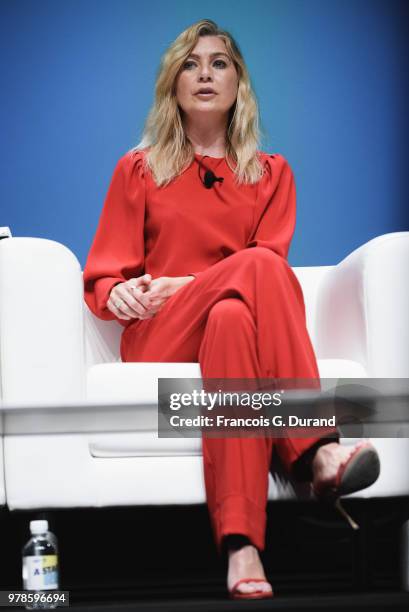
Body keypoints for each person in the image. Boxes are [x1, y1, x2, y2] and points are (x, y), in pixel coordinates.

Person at [83, 19, 380, 600]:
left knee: (232, 318)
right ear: (173, 83)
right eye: (191, 64)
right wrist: (118, 290)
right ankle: (315, 449)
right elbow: (107, 274)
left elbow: (259, 280)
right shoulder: (137, 171)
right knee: (262, 269)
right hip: (160, 334)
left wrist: (190, 282)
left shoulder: (273, 175)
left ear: (238, 83)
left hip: (230, 327)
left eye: (219, 63)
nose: (204, 74)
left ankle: (242, 548)